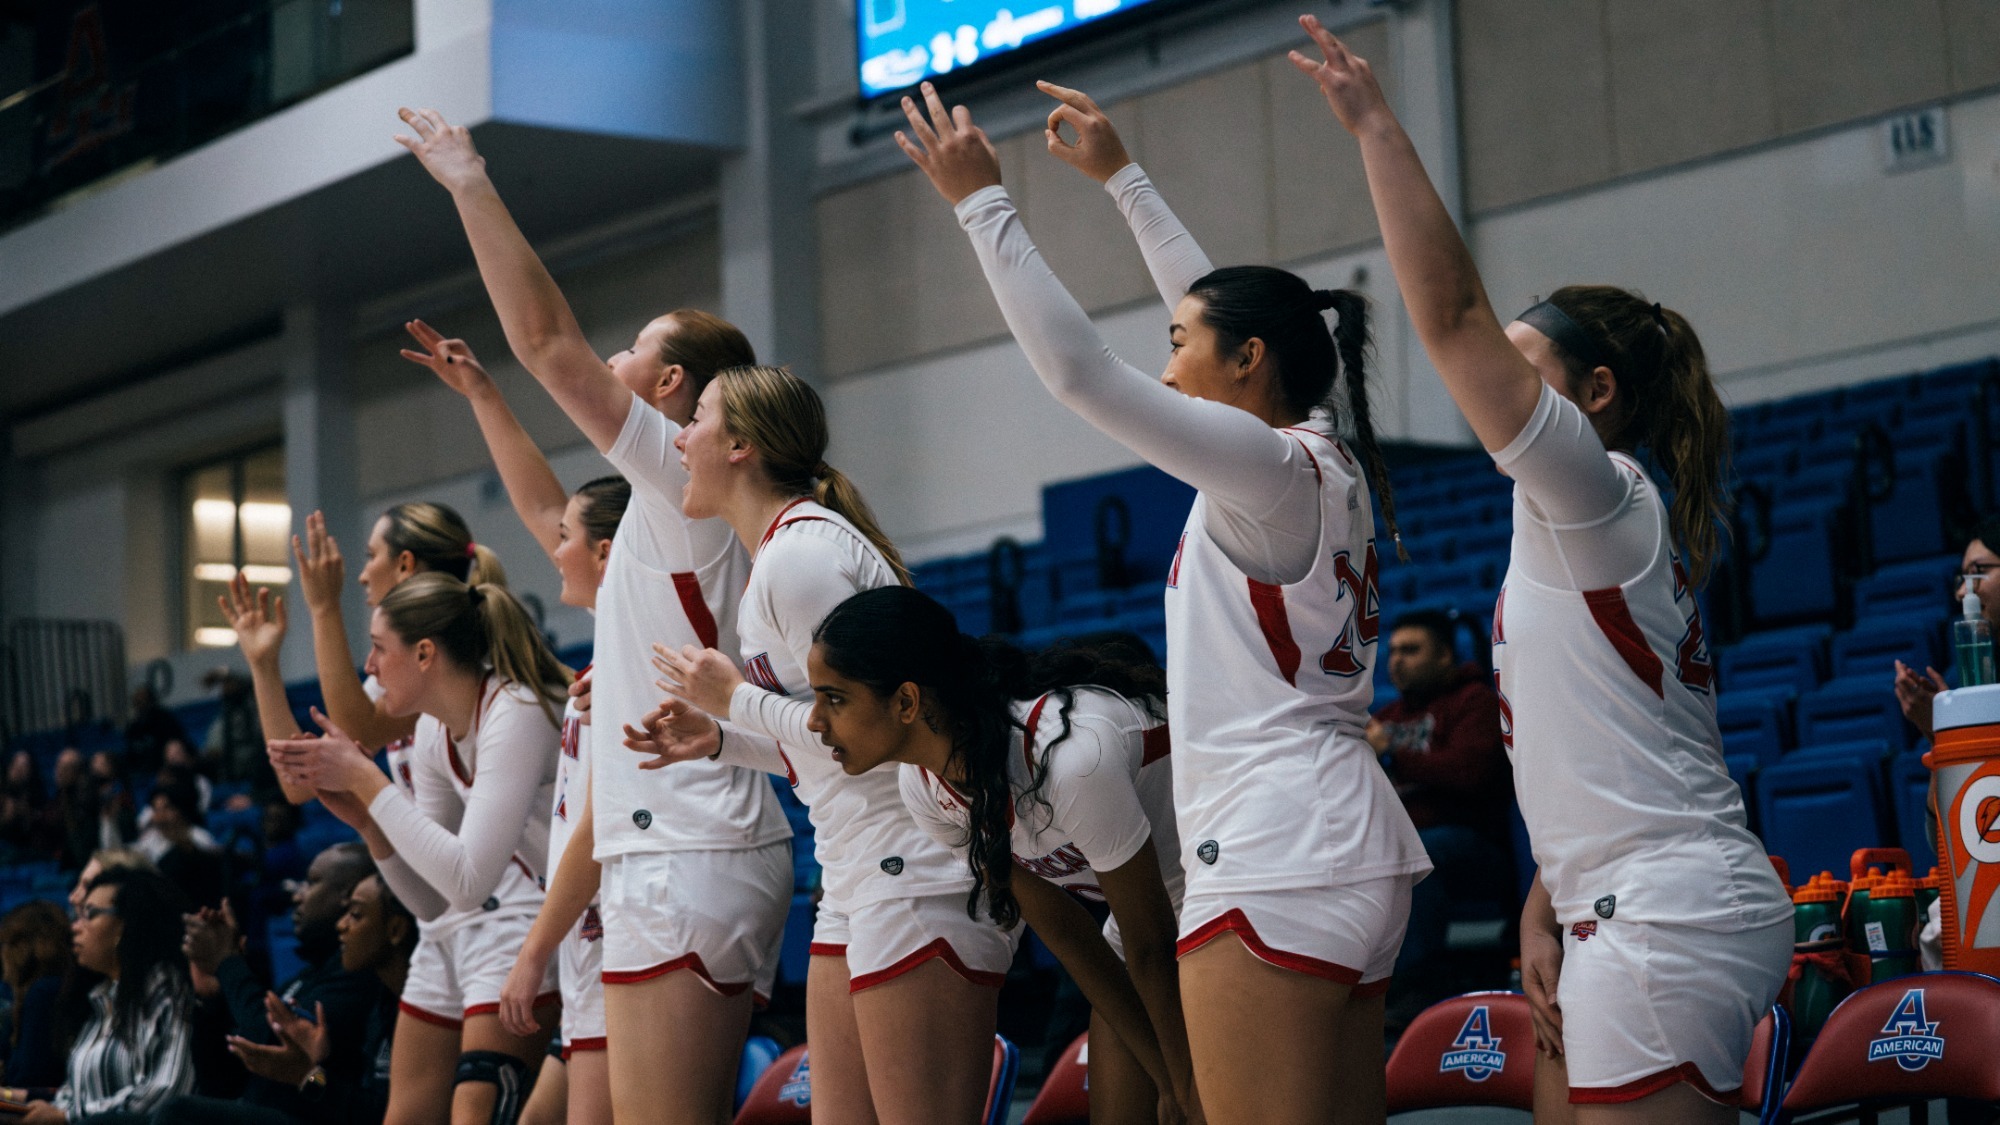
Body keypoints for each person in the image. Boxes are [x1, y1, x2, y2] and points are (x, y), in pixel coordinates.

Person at [893, 80, 1429, 1125]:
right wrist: (1122, 181)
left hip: (1276, 849)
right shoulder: (1307, 457)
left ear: (1246, 363)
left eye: (1181, 343)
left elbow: (1080, 374)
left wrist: (981, 206)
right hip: (1346, 844)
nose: (1166, 361)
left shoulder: (1269, 468)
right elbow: (1223, 310)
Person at [1293, 18, 1793, 1121]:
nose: (1493, 381)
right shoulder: (1583, 512)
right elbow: (1612, 752)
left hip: (1665, 914)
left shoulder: (1598, 488)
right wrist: (1541, 898)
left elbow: (1451, 316)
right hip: (1612, 900)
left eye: (1523, 368)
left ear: (1595, 392)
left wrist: (1375, 126)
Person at [392, 104, 791, 1125]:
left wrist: (467, 181)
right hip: (674, 854)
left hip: (692, 849)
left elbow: (546, 339)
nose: (606, 359)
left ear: (670, 387)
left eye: (632, 350)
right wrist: (485, 397)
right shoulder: (670, 512)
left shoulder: (676, 481)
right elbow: (541, 511)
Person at [634, 364, 1014, 1125]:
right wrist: (722, 738)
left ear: (741, 443)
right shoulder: (781, 558)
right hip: (855, 871)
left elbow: (878, 727)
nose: (680, 437)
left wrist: (734, 699)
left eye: (697, 417)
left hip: (915, 866)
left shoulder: (801, 559)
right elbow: (826, 747)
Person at [818, 586, 1199, 1125]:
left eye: (834, 698)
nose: (814, 719)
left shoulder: (1068, 758)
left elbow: (1153, 941)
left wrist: (1182, 1087)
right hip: (1141, 929)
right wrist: (1166, 1078)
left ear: (905, 701)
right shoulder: (924, 790)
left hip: (1228, 894)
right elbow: (1066, 931)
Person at [403, 319, 627, 1125]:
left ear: (607, 551)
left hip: (632, 914)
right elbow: (539, 499)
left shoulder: (640, 627)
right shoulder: (608, 633)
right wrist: (484, 394)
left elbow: (596, 826)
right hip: (591, 924)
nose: (549, 546)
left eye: (566, 537)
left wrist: (535, 949)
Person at [269, 572, 566, 1125]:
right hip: (564, 921)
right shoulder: (434, 730)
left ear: (425, 652)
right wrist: (368, 822)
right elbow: (433, 904)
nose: (370, 668)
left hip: (592, 916)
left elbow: (469, 880)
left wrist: (368, 781)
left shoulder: (515, 708)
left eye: (380, 649)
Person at [159, 842, 381, 1124]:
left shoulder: (360, 980)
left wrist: (228, 962)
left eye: (311, 883)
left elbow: (268, 1042)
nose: (297, 896)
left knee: (178, 1114)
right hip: (263, 1108)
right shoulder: (305, 978)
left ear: (348, 898)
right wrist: (212, 1002)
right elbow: (223, 1081)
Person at [1366, 610, 1513, 1005]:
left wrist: (1393, 753)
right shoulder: (1387, 717)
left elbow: (1470, 774)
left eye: (1411, 650)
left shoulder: (1475, 701)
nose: (1396, 659)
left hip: (1473, 848)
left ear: (1446, 655)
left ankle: (1411, 991)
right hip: (1406, 846)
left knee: (1419, 852)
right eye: (1393, 650)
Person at [201, 870, 420, 1125]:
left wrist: (307, 1074)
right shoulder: (381, 1004)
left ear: (395, 929)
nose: (342, 924)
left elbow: (374, 1115)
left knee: (179, 1113)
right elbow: (350, 1098)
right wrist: (311, 1070)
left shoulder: (406, 1005)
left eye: (356, 915)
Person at [21, 868, 197, 1123]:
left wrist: (66, 1117)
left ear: (126, 925)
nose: (75, 928)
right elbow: (77, 1094)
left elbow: (166, 1094)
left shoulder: (169, 990)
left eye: (89, 914)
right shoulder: (102, 998)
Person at [1894, 516, 2000, 739]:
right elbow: (1973, 773)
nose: (1962, 592)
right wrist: (1942, 728)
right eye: (1963, 578)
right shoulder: (1986, 666)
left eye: (1978, 570)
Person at [0, 902, 72, 1089]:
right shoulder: (47, 991)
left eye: (4, 944)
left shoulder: (43, 993)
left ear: (20, 948)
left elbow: (28, 1077)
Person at [138, 777, 225, 910]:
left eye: (166, 808)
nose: (160, 815)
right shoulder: (150, 839)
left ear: (179, 810)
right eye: (156, 809)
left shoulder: (199, 837)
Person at [125, 686, 189, 784]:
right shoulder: (133, 728)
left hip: (164, 768)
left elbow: (177, 744)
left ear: (151, 701)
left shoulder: (165, 720)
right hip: (142, 773)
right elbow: (131, 754)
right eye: (137, 702)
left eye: (143, 701)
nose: (141, 705)